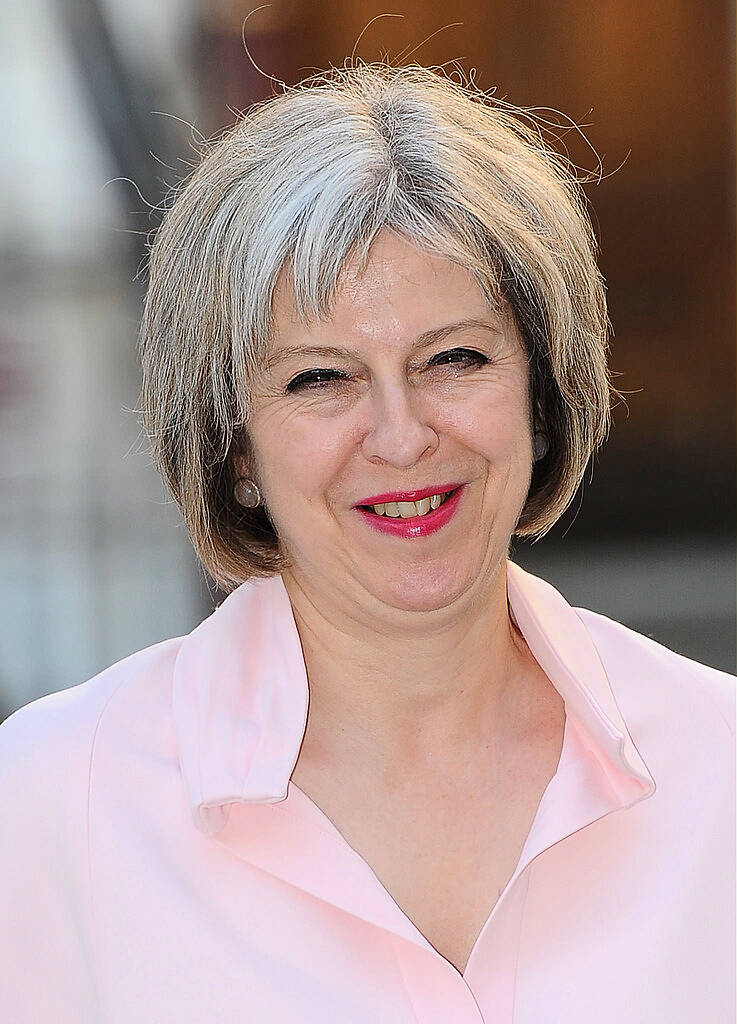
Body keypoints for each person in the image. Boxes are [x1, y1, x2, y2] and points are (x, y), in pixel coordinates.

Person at [0, 63, 734, 1024]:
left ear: (541, 394)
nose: (400, 434)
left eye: (453, 359)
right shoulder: (57, 801)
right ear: (236, 451)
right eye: (320, 379)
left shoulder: (719, 765)